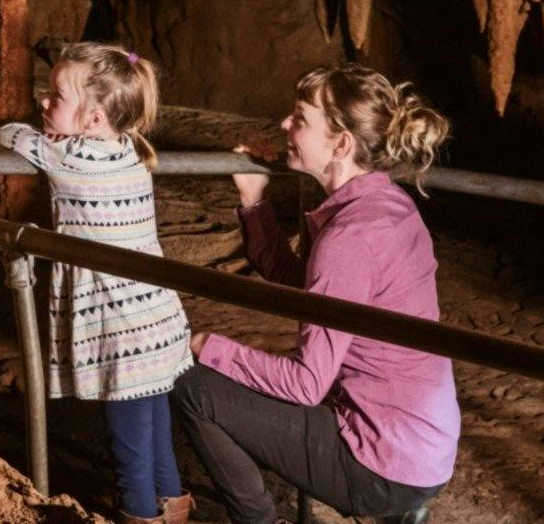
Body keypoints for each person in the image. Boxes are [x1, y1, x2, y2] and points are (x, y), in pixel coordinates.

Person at [175, 64, 458, 524]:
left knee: (196, 389)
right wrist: (254, 203)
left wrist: (210, 346)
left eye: (300, 118)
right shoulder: (388, 205)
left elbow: (306, 385)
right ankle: (400, 511)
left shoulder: (351, 237)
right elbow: (303, 283)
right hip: (425, 444)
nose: (285, 124)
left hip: (383, 462)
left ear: (341, 143)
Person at [0, 43, 194, 524]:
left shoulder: (68, 155)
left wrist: (22, 123)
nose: (44, 104)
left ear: (94, 119)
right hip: (155, 314)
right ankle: (175, 506)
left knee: (127, 433)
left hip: (116, 324)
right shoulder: (129, 149)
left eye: (56, 96)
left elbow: (7, 135)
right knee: (152, 418)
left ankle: (139, 514)